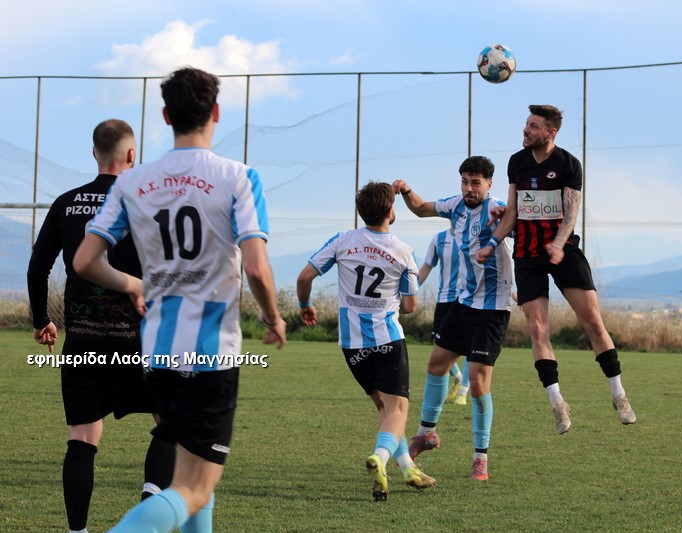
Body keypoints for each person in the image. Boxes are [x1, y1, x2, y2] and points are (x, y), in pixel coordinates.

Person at [73, 67, 287, 532]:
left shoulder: (133, 182)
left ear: (166, 115)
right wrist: (273, 317)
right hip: (210, 354)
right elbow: (255, 267)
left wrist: (134, 285)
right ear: (216, 112)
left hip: (157, 352)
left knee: (192, 479)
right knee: (194, 488)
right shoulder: (239, 177)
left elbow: (85, 261)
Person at [26, 119, 174, 533]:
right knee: (171, 422)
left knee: (83, 434)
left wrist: (42, 320)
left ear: (94, 153)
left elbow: (37, 270)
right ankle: (147, 510)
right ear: (132, 155)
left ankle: (77, 531)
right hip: (141, 340)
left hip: (84, 339)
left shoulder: (66, 203)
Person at [477, 104, 636, 435]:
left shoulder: (568, 164)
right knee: (537, 329)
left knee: (593, 322)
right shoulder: (517, 162)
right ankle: (558, 403)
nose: (526, 130)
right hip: (527, 254)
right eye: (526, 124)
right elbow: (512, 211)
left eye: (533, 126)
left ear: (551, 133)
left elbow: (571, 212)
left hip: (565, 252)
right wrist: (492, 243)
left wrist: (559, 244)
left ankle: (619, 395)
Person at [296, 181, 436, 501]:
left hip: (352, 345)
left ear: (361, 212)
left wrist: (305, 305)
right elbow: (411, 307)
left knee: (385, 409)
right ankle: (380, 457)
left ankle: (407, 468)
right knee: (397, 409)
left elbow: (304, 277)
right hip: (387, 339)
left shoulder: (343, 241)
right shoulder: (403, 251)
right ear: (390, 212)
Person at [392, 155, 515, 481]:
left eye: (476, 182)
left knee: (477, 382)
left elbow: (516, 225)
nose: (469, 188)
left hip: (492, 309)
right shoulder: (455, 206)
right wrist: (406, 190)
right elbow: (421, 208)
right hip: (463, 303)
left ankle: (480, 457)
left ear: (489, 184)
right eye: (465, 181)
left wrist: (508, 222)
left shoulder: (497, 209)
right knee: (436, 365)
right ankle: (425, 435)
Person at [418, 228, 470, 405]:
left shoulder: (475, 235)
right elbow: (426, 267)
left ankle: (463, 390)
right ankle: (457, 377)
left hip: (468, 299)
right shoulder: (438, 239)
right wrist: (408, 290)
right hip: (444, 300)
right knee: (439, 345)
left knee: (471, 347)